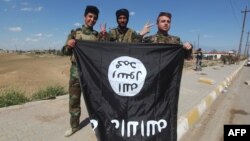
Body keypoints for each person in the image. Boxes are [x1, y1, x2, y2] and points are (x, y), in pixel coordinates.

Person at [62, 5, 100, 137]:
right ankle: (74, 126)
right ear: (85, 17)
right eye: (90, 16)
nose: (92, 20)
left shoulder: (98, 36)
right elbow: (65, 52)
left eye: (95, 18)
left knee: (95, 101)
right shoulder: (75, 33)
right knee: (74, 101)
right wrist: (69, 45)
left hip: (91, 74)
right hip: (76, 73)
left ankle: (99, 126)